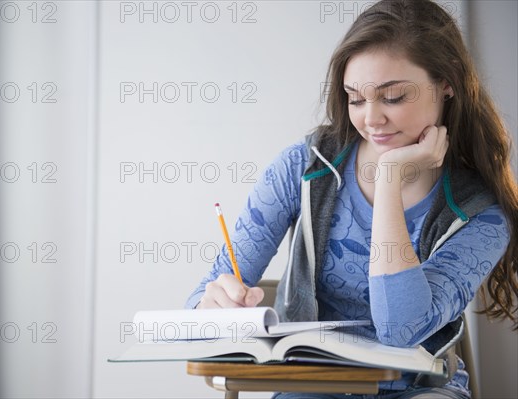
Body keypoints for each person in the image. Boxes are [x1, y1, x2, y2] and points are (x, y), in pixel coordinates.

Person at [186, 0, 518, 398]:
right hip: (310, 385)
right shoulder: (306, 166)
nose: (371, 119)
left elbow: (400, 330)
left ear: (447, 84)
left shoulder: (479, 212)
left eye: (392, 97)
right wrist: (211, 309)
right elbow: (198, 303)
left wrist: (389, 179)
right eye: (355, 98)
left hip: (419, 389)